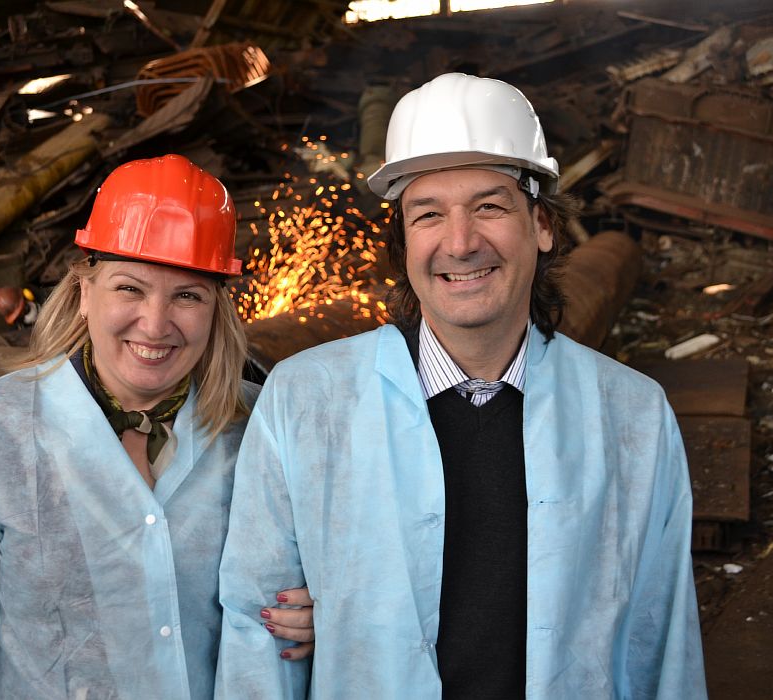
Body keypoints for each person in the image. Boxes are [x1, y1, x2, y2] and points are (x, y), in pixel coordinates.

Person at [215, 73, 707, 698]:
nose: (461, 243)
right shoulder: (306, 401)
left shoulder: (631, 415)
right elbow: (258, 643)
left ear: (543, 225)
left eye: (489, 207)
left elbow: (662, 641)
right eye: (428, 214)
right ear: (403, 242)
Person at [0, 155, 313, 699]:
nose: (155, 325)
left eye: (187, 295)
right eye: (130, 289)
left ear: (216, 310)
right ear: (85, 292)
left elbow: (341, 575)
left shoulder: (260, 426)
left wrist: (325, 610)